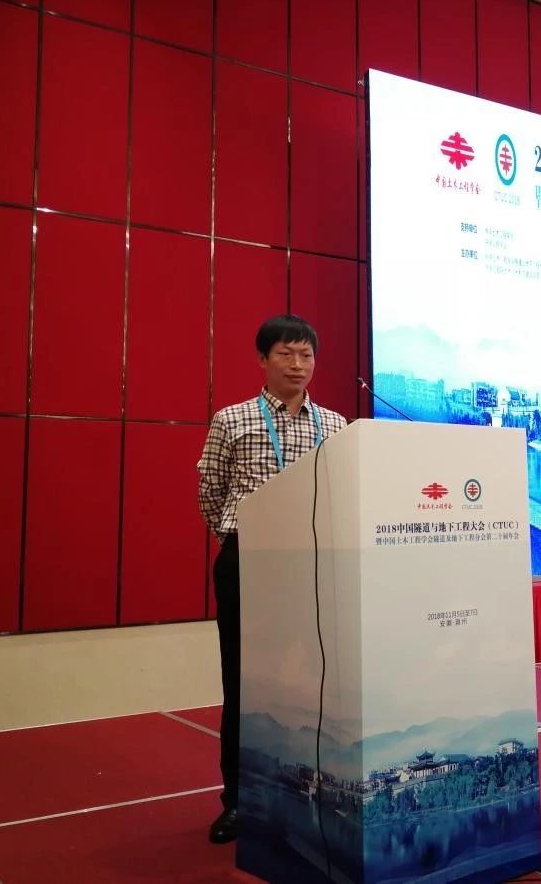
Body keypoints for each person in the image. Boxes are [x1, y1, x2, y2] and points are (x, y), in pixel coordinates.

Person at [196, 314, 348, 844]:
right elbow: (210, 489)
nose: (297, 364)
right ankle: (240, 802)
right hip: (250, 560)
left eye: (306, 355)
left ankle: (313, 795)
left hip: (313, 562)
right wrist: (236, 537)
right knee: (245, 684)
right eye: (286, 353)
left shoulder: (335, 425)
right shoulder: (232, 419)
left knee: (313, 681)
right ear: (263, 359)